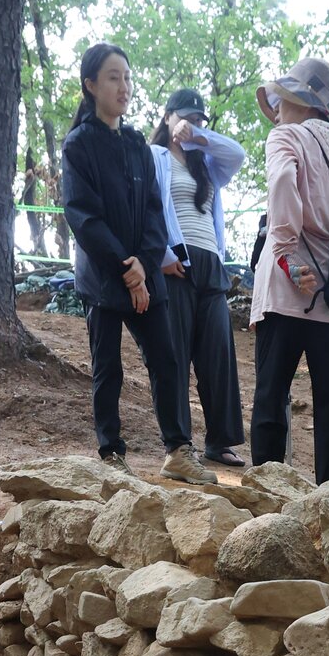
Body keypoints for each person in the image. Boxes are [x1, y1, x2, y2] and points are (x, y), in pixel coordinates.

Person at [61, 43, 216, 483]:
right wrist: (124, 268)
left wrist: (145, 266)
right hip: (104, 278)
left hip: (145, 275)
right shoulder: (78, 145)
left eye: (127, 77)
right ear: (90, 85)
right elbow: (82, 215)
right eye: (113, 77)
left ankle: (178, 451)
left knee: (167, 360)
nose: (123, 86)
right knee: (107, 367)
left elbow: (154, 211)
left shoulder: (136, 145)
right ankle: (111, 455)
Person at [248, 56, 329, 486]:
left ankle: (269, 501)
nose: (277, 108)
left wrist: (283, 253)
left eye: (285, 98)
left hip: (287, 288)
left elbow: (282, 191)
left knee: (271, 395)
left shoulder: (286, 137)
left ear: (308, 104)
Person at [149, 88, 247, 467]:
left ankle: (220, 441)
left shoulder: (205, 163)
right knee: (174, 354)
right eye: (184, 118)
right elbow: (145, 208)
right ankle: (179, 443)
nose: (190, 124)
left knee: (218, 353)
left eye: (198, 119)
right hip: (176, 262)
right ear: (167, 115)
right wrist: (160, 255)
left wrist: (198, 136)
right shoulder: (154, 157)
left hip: (212, 264)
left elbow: (237, 154)